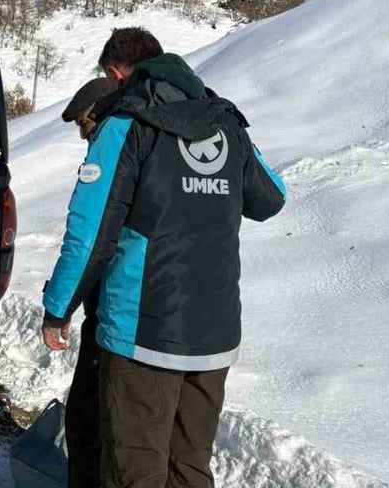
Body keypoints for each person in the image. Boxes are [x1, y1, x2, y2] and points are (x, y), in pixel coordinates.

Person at [42, 28, 286, 488]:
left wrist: (58, 309)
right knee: (189, 469)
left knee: (134, 468)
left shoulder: (126, 126)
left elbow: (90, 233)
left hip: (143, 332)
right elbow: (272, 197)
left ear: (116, 74)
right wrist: (233, 140)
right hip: (213, 335)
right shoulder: (225, 123)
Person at [48, 75, 117, 488]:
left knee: (88, 423)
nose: (83, 134)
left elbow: (86, 240)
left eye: (85, 124)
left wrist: (58, 309)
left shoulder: (112, 152)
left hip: (117, 316)